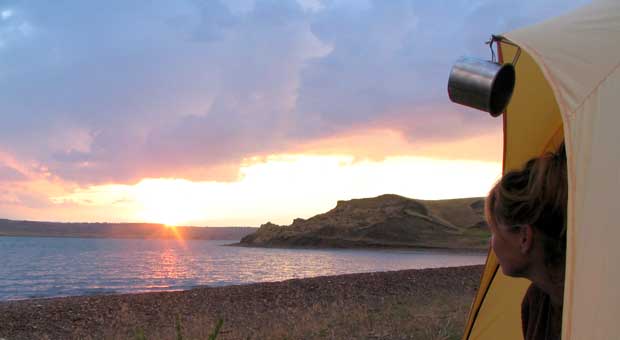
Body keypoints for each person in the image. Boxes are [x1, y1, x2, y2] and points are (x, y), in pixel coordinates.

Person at [485, 142, 567, 340]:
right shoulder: (536, 301)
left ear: (524, 237)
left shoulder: (599, 306)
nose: (492, 243)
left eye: (494, 231)